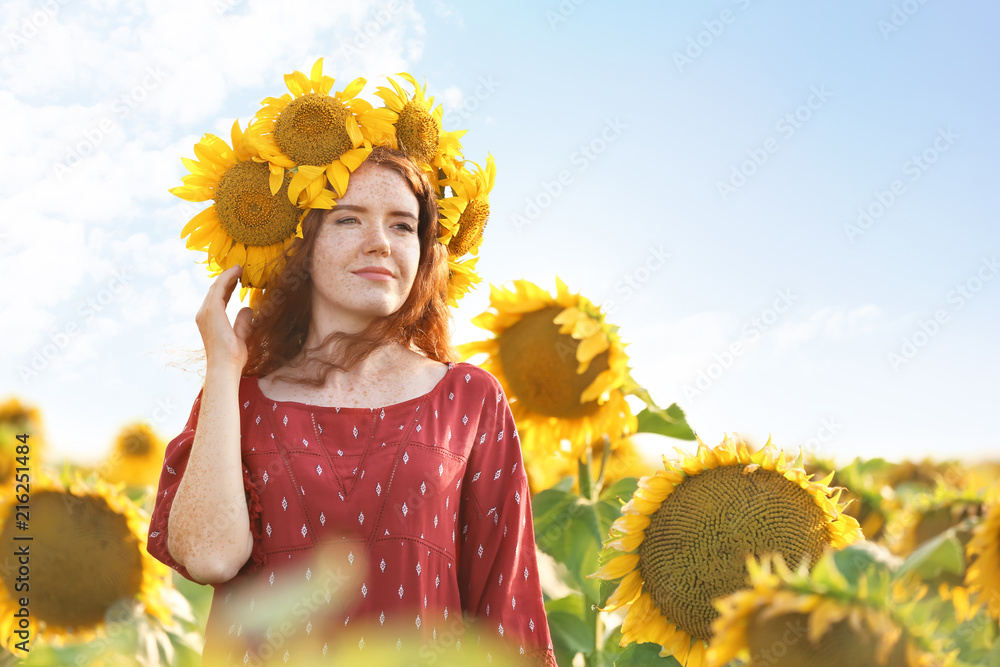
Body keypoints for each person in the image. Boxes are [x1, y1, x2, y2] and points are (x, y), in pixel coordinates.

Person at [147, 65, 556, 667]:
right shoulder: (242, 398)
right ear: (302, 246)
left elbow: (507, 611)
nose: (381, 243)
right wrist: (223, 367)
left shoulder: (469, 399)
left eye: (403, 225)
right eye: (348, 218)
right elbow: (210, 557)